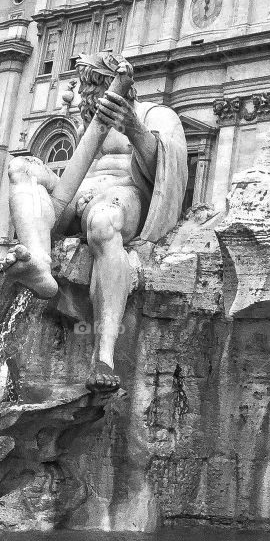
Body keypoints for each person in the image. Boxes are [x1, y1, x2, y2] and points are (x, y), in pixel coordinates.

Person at [2, 54, 187, 389]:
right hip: (76, 199)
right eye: (84, 88)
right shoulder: (90, 124)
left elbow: (169, 168)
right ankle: (39, 264)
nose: (84, 95)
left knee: (103, 223)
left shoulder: (154, 114)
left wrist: (133, 127)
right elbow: (72, 178)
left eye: (92, 86)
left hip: (124, 196)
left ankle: (104, 357)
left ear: (110, 84)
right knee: (21, 168)